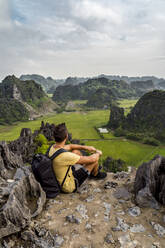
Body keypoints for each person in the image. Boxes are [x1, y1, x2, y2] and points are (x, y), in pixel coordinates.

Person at [48, 123, 107, 193]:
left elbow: (70, 146)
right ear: (66, 136)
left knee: (76, 151)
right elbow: (93, 159)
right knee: (94, 161)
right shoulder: (65, 156)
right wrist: (98, 153)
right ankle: (95, 174)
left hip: (61, 178)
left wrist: (86, 148)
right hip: (68, 186)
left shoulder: (53, 147)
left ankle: (89, 169)